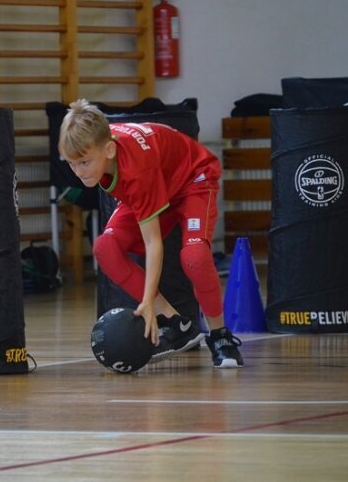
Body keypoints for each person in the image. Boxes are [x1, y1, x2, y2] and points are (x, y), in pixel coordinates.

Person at [59, 99, 244, 368]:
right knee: (105, 248)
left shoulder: (136, 170)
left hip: (193, 179)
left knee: (194, 256)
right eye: (72, 164)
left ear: (109, 150)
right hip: (160, 183)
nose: (78, 172)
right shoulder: (101, 144)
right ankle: (178, 325)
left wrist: (146, 301)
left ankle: (219, 336)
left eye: (85, 162)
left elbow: (153, 242)